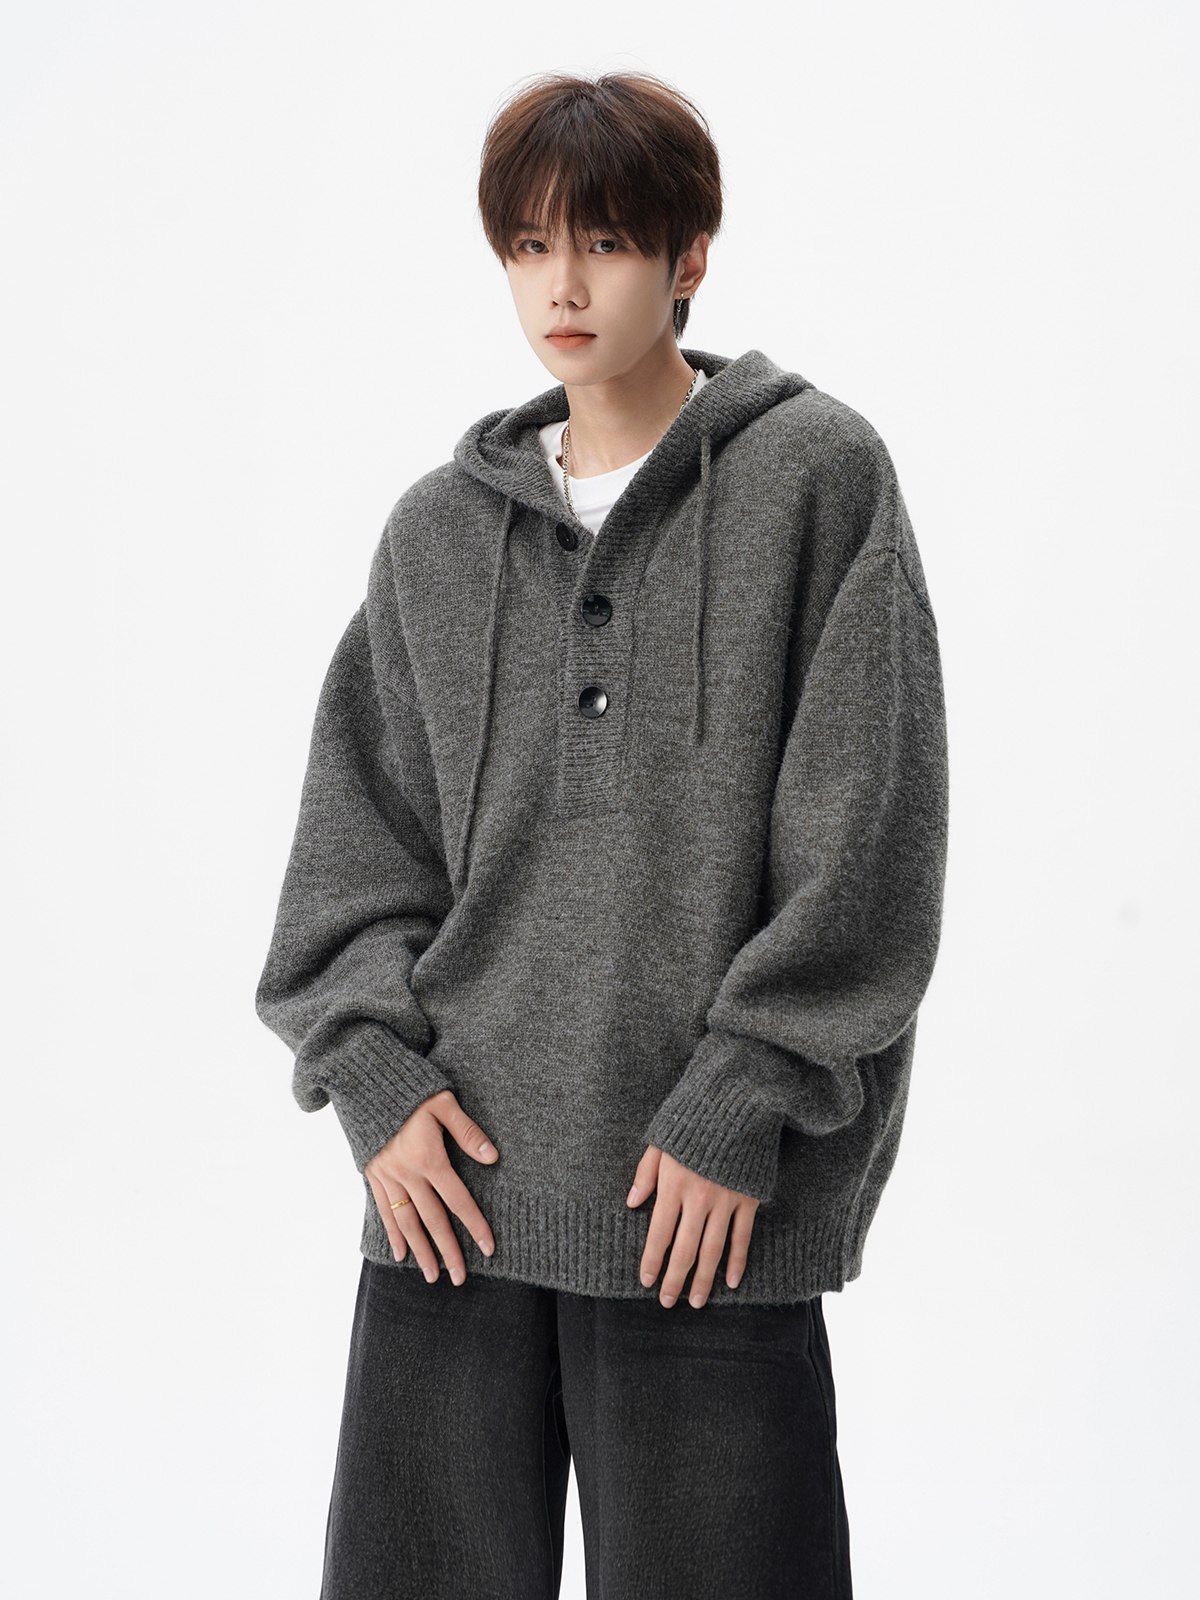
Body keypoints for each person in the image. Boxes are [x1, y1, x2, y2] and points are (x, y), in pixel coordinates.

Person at [256, 69, 948, 1600]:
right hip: (449, 1196)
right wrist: (374, 1078)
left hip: (701, 1202)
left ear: (691, 254)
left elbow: (872, 842)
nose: (563, 287)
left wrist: (744, 1098)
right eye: (529, 247)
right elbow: (354, 853)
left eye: (608, 243)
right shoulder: (436, 534)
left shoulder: (817, 478)